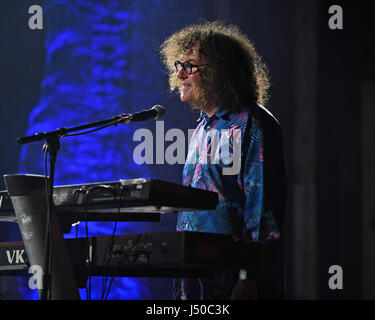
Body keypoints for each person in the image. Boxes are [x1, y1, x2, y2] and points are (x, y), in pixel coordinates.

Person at [159, 21, 287, 300]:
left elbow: (262, 208)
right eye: (178, 64)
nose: (180, 73)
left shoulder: (252, 123)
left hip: (233, 283)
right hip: (195, 280)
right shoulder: (203, 128)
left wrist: (249, 276)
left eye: (190, 66)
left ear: (218, 73)